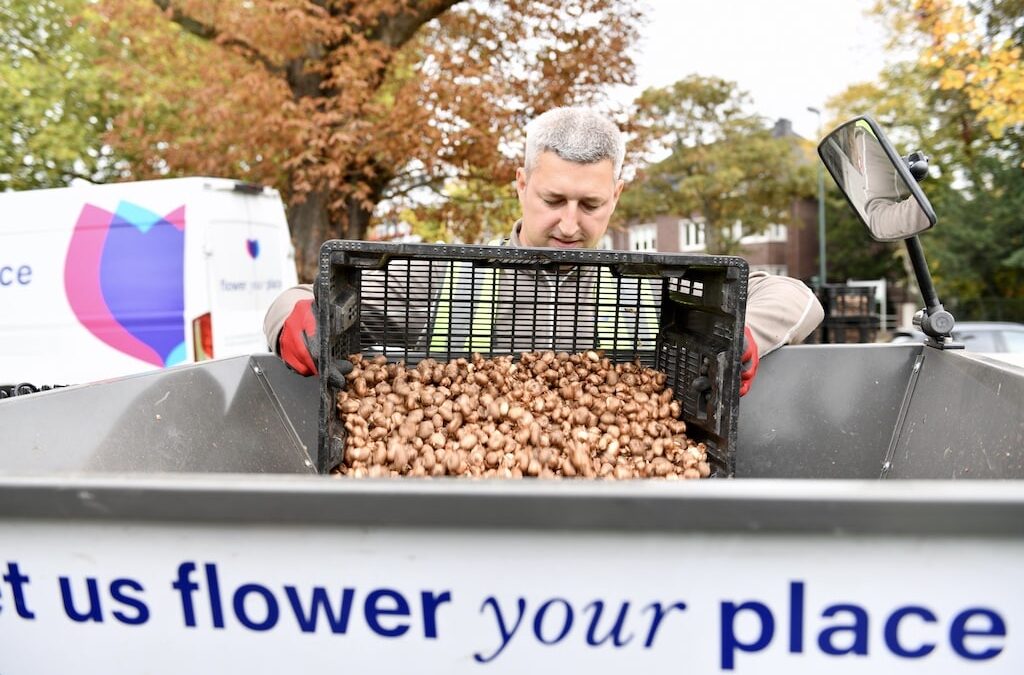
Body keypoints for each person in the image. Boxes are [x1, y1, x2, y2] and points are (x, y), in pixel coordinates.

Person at [265, 107, 824, 396]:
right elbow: (305, 298)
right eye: (553, 199)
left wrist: (747, 331)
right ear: (521, 185)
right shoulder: (444, 279)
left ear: (616, 196)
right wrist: (291, 313)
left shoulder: (655, 289)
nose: (569, 224)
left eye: (591, 204)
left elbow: (796, 299)